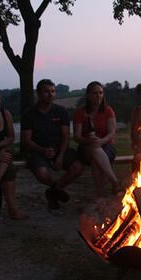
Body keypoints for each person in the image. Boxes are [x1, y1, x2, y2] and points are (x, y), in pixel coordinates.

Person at [21, 79, 84, 210]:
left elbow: (66, 137)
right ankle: (56, 189)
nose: (51, 95)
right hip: (37, 151)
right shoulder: (29, 114)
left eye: (53, 91)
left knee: (78, 167)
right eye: (46, 92)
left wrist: (60, 157)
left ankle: (54, 192)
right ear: (38, 94)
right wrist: (42, 151)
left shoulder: (61, 111)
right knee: (43, 174)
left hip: (59, 149)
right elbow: (27, 140)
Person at [73, 81, 122, 197]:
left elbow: (111, 133)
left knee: (96, 160)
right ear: (88, 95)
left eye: (100, 93)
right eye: (95, 93)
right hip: (86, 147)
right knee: (93, 148)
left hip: (107, 145)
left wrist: (101, 141)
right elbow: (77, 137)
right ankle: (115, 182)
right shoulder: (80, 113)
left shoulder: (108, 111)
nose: (98, 96)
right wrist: (88, 141)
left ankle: (100, 198)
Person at [0, 93, 28, 220]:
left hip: (1, 152)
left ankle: (12, 208)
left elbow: (10, 138)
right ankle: (12, 209)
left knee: (7, 158)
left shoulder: (5, 114)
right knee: (5, 158)